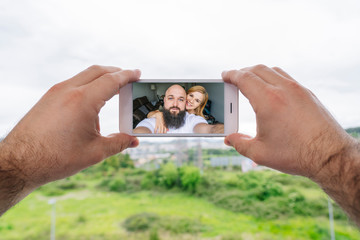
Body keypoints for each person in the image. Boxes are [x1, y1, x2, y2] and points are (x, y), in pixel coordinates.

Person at [0, 65, 359, 228]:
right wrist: (333, 158)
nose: (176, 104)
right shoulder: (148, 123)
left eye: (183, 99)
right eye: (171, 98)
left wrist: (19, 164)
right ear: (162, 103)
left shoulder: (197, 121)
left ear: (191, 103)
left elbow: (206, 125)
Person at [133, 84, 222, 134]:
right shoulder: (164, 112)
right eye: (191, 96)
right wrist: (156, 114)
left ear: (199, 105)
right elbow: (146, 125)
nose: (191, 101)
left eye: (197, 100)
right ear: (186, 95)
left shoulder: (195, 119)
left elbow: (208, 129)